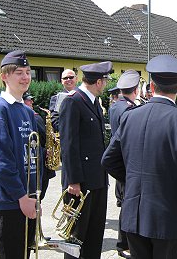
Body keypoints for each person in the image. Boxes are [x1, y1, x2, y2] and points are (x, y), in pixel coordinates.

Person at [102, 54, 177, 259]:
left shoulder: (130, 116)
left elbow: (108, 160)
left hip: (134, 216)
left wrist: (136, 180)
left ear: (151, 86)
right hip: (167, 218)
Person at [0, 50, 38, 259]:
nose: (25, 77)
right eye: (18, 73)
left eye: (27, 72)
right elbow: (1, 162)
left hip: (28, 197)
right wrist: (21, 197)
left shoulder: (25, 111)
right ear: (4, 76)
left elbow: (32, 155)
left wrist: (34, 194)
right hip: (11, 200)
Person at [59, 61, 112, 259]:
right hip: (79, 183)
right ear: (98, 82)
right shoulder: (73, 101)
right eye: (105, 81)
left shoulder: (93, 102)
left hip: (97, 179)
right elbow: (68, 144)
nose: (105, 85)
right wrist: (73, 180)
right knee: (76, 237)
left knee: (95, 233)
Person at [108, 70, 141, 259]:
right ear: (135, 90)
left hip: (119, 160)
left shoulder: (115, 106)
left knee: (125, 203)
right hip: (127, 161)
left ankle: (123, 243)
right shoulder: (129, 109)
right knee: (129, 205)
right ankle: (124, 243)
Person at [22, 92, 55, 200]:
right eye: (28, 100)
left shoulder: (33, 116)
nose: (31, 102)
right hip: (38, 161)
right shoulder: (34, 117)